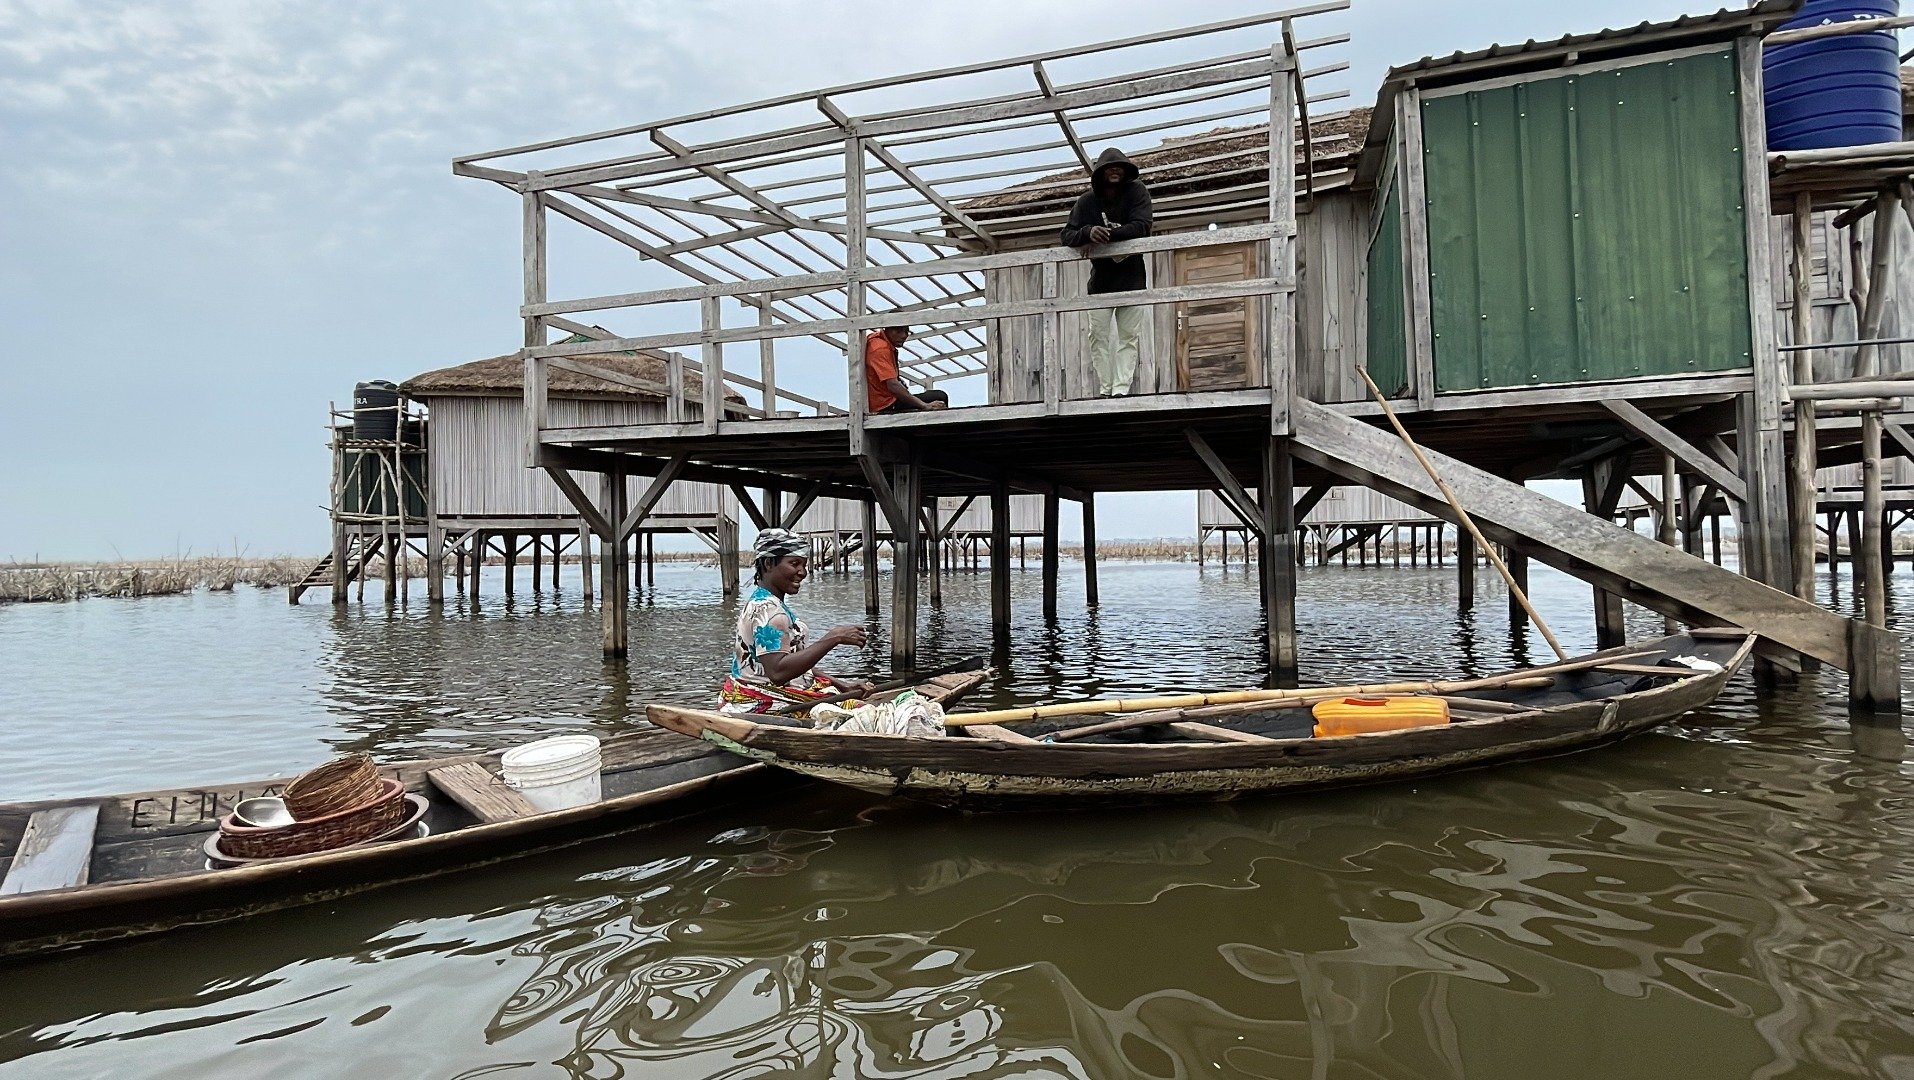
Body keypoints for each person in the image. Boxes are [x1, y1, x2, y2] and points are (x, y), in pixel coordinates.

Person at [720, 529, 874, 714]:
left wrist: (842, 685)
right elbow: (778, 672)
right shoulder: (769, 612)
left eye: (804, 565)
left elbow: (794, 661)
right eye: (794, 564)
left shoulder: (766, 602)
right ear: (769, 563)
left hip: (779, 695)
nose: (802, 572)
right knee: (868, 713)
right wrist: (834, 637)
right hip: (765, 704)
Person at [1061, 147, 1153, 396]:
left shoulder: (1136, 192)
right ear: (1100, 173)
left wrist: (1107, 235)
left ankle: (1120, 390)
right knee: (1097, 335)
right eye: (1109, 168)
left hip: (1133, 279)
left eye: (1119, 167)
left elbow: (1143, 226)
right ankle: (1106, 388)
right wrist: (1087, 232)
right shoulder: (1088, 201)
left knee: (1128, 336)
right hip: (1101, 282)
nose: (1114, 171)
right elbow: (1067, 234)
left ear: (1125, 172)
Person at [865, 323, 950, 414]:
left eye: (906, 331)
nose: (904, 336)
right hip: (886, 405)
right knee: (939, 396)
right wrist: (925, 405)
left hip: (887, 400)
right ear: (887, 329)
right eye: (898, 331)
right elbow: (893, 385)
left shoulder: (878, 340)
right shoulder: (881, 349)